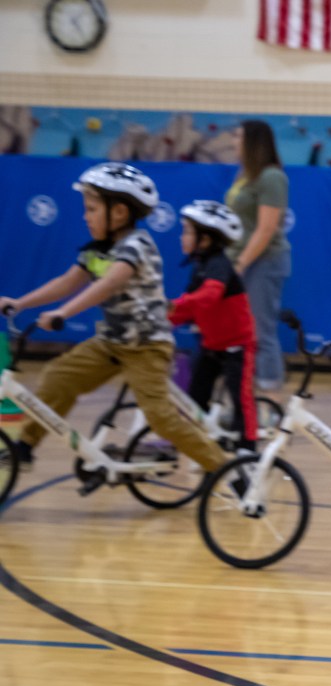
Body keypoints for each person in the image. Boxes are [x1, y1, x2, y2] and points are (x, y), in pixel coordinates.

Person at [0, 163, 227, 482]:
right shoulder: (97, 249)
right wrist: (19, 303)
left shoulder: (137, 245)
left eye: (91, 209)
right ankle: (24, 446)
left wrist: (63, 314)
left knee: (161, 419)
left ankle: (222, 468)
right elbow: (69, 281)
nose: (85, 216)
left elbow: (108, 282)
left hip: (147, 347)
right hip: (111, 343)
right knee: (57, 378)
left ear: (118, 212)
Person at [168, 200, 258, 453]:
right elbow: (186, 310)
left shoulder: (219, 264)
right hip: (210, 345)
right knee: (195, 398)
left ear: (205, 239)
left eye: (187, 231)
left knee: (241, 397)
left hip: (237, 345)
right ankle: (204, 440)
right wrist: (158, 323)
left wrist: (171, 307)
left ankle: (248, 447)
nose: (181, 237)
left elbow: (208, 297)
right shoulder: (199, 267)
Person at [227, 119, 291, 392]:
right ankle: (245, 398)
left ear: (253, 142)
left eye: (238, 137)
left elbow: (265, 230)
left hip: (263, 262)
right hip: (239, 259)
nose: (233, 142)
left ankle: (270, 399)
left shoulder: (271, 177)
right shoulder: (244, 176)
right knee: (239, 332)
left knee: (259, 331)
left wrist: (240, 265)